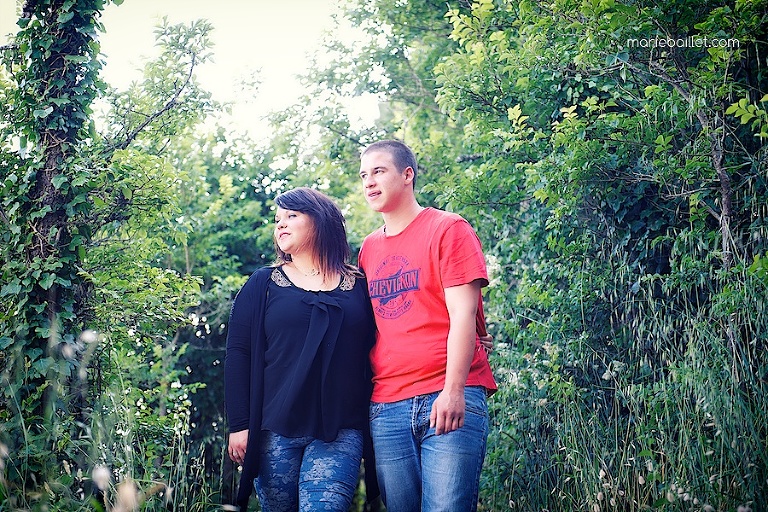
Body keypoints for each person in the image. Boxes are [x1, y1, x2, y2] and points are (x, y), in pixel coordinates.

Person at [357, 140, 497, 512]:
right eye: (364, 175)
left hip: (448, 393)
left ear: (407, 175)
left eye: (379, 171)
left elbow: (464, 315)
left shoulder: (448, 229)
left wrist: (453, 391)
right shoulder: (368, 250)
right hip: (387, 405)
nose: (369, 182)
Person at [224, 187, 377, 511]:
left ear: (320, 221)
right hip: (274, 429)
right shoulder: (262, 284)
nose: (281, 224)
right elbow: (238, 352)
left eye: (292, 216)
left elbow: (391, 333)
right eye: (278, 219)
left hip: (340, 429)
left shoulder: (360, 286)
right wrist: (239, 424)